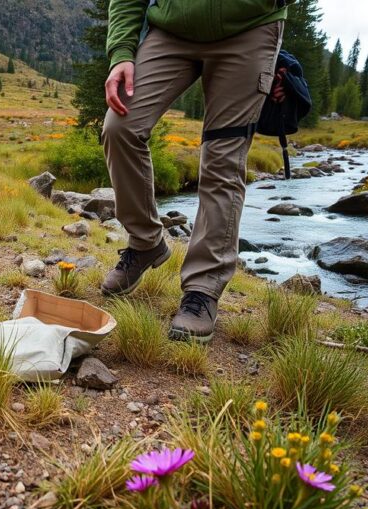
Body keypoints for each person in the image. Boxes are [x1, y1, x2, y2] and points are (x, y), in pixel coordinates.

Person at [100, 0, 288, 344]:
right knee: (120, 128)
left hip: (250, 29)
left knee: (223, 162)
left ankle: (202, 290)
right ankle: (145, 242)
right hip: (171, 29)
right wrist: (122, 52)